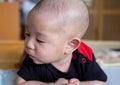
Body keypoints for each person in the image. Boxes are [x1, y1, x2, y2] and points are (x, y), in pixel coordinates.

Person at [16, 0, 107, 85]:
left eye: (40, 40)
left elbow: (101, 83)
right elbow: (20, 83)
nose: (28, 44)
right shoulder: (34, 57)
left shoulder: (83, 59)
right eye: (27, 34)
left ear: (70, 45)